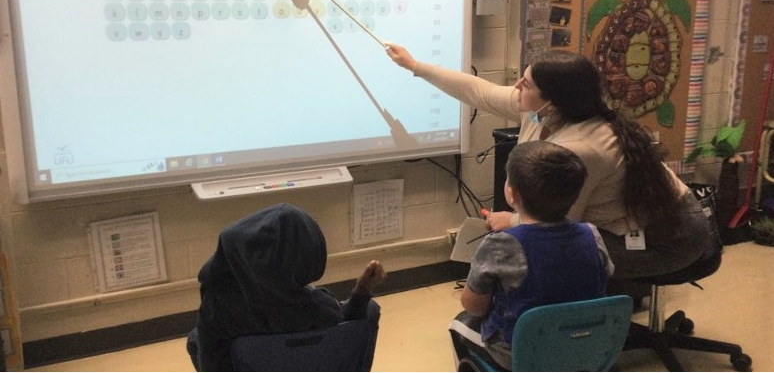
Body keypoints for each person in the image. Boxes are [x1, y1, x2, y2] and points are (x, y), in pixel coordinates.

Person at [385, 45, 712, 279]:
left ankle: (577, 335)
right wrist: (416, 66)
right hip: (629, 225)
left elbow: (558, 224)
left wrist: (509, 221)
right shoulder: (544, 111)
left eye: (525, 84)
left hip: (667, 238)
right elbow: (479, 92)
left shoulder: (581, 149)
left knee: (545, 252)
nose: (516, 87)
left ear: (552, 102)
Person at [451, 141, 614, 369]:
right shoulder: (592, 235)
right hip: (586, 347)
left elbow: (474, 306)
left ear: (512, 194)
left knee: (459, 324)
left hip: (520, 352)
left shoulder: (500, 244)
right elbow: (604, 276)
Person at [187, 203, 387, 372]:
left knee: (195, 339)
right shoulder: (316, 306)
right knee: (369, 310)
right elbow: (347, 320)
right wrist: (361, 291)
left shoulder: (219, 310)